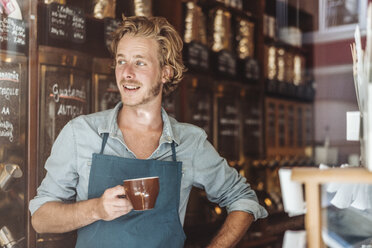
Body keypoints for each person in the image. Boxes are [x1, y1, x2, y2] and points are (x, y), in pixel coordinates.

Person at [29, 15, 268, 248]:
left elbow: (243, 199)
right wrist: (96, 209)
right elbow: (40, 218)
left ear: (166, 73)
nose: (127, 73)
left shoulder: (189, 142)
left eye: (140, 62)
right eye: (121, 61)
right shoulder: (80, 133)